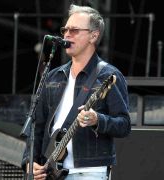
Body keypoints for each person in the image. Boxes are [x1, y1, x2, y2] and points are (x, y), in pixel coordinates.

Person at [21, 4, 131, 180]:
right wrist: (29, 162)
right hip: (51, 171)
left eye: (75, 30)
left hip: (89, 171)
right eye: (65, 29)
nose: (66, 34)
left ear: (93, 36)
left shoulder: (108, 75)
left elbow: (124, 125)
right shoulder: (53, 76)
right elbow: (36, 126)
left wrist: (97, 120)